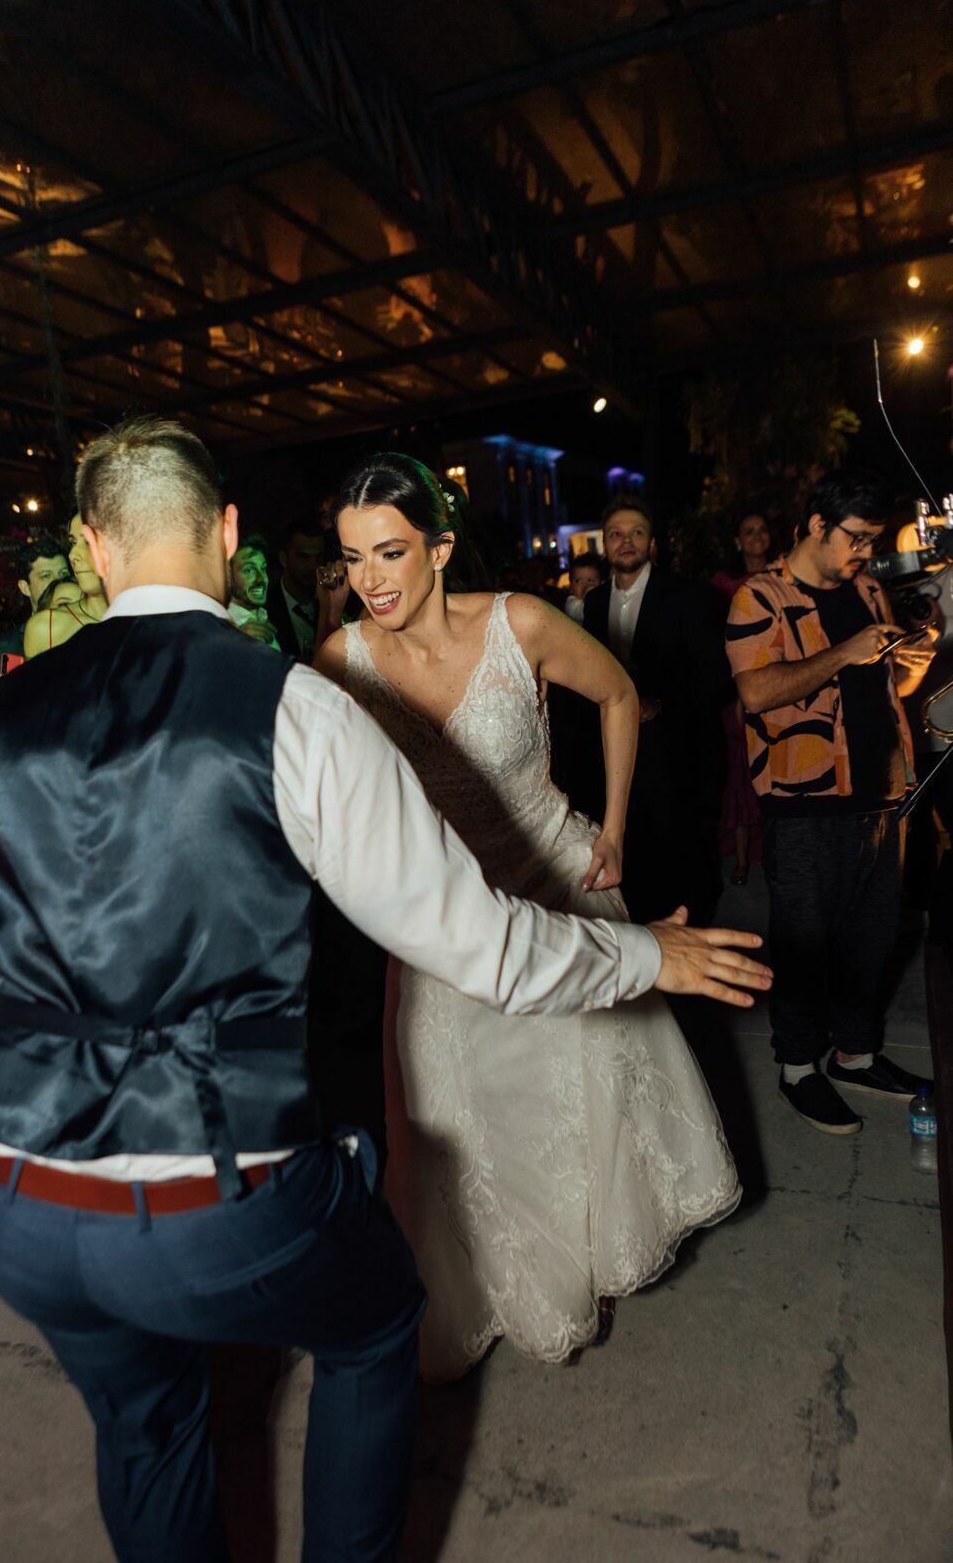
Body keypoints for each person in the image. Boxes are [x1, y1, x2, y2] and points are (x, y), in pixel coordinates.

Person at [0, 416, 769, 1563]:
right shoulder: (296, 704)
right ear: (227, 534)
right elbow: (484, 946)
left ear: (90, 548)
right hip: (213, 1194)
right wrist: (647, 955)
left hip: (14, 1203)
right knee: (375, 1329)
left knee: (147, 1430)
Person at [316, 452, 747, 1383]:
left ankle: (576, 1270)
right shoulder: (340, 665)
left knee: (577, 1100)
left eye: (388, 553)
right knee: (459, 1121)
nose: (369, 581)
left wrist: (618, 831)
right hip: (442, 922)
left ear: (437, 548)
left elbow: (621, 695)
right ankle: (492, 1289)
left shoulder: (520, 622)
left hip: (555, 880)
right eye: (352, 560)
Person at [727, 470, 935, 1136]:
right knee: (805, 943)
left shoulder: (869, 587)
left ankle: (854, 1054)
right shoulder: (758, 596)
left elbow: (889, 682)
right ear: (816, 525)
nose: (863, 553)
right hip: (805, 799)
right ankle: (796, 1068)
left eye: (871, 541)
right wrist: (843, 652)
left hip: (882, 791)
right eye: (854, 538)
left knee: (871, 939)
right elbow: (757, 693)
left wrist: (915, 657)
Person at [584, 500, 728, 922]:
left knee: (685, 865)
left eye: (636, 533)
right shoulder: (591, 605)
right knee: (634, 858)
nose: (625, 541)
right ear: (605, 545)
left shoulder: (689, 595)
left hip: (675, 755)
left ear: (653, 544)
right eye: (615, 534)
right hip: (614, 758)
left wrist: (661, 703)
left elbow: (717, 677)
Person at [712, 511, 773, 885]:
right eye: (748, 531)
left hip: (780, 682)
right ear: (738, 540)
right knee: (741, 771)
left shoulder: (784, 576)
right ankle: (743, 853)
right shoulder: (723, 585)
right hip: (738, 685)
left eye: (763, 529)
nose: (757, 536)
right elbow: (721, 643)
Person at [0, 539, 70, 690]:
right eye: (46, 576)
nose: (58, 582)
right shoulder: (5, 647)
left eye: (63, 574)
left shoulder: (89, 628)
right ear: (25, 588)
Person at [23, 512, 107, 658]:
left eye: (87, 541)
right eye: (73, 543)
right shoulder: (45, 628)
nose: (73, 554)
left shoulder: (152, 614)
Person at [265, 516, 325, 661]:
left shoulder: (332, 602)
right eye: (303, 557)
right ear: (284, 558)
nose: (313, 566)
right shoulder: (265, 609)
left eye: (318, 558)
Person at [227, 535, 280, 648]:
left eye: (263, 568)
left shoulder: (264, 617)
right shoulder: (222, 627)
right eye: (249, 570)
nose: (262, 579)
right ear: (228, 577)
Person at [563, 550, 603, 623]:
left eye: (590, 580)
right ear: (571, 587)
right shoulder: (571, 604)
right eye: (578, 581)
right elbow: (586, 614)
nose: (585, 585)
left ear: (601, 584)